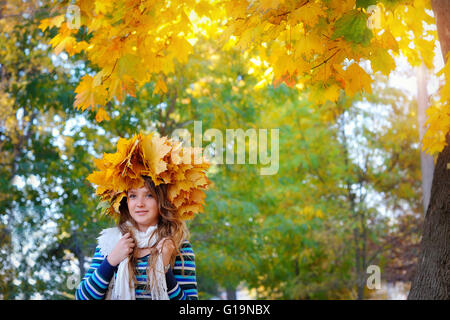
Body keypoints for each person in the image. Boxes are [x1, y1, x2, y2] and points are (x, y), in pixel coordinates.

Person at [75, 132, 210, 300]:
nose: (139, 203)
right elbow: (82, 297)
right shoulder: (110, 243)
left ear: (162, 201)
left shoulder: (178, 245)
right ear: (125, 202)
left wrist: (165, 269)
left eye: (149, 195)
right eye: (133, 196)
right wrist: (111, 261)